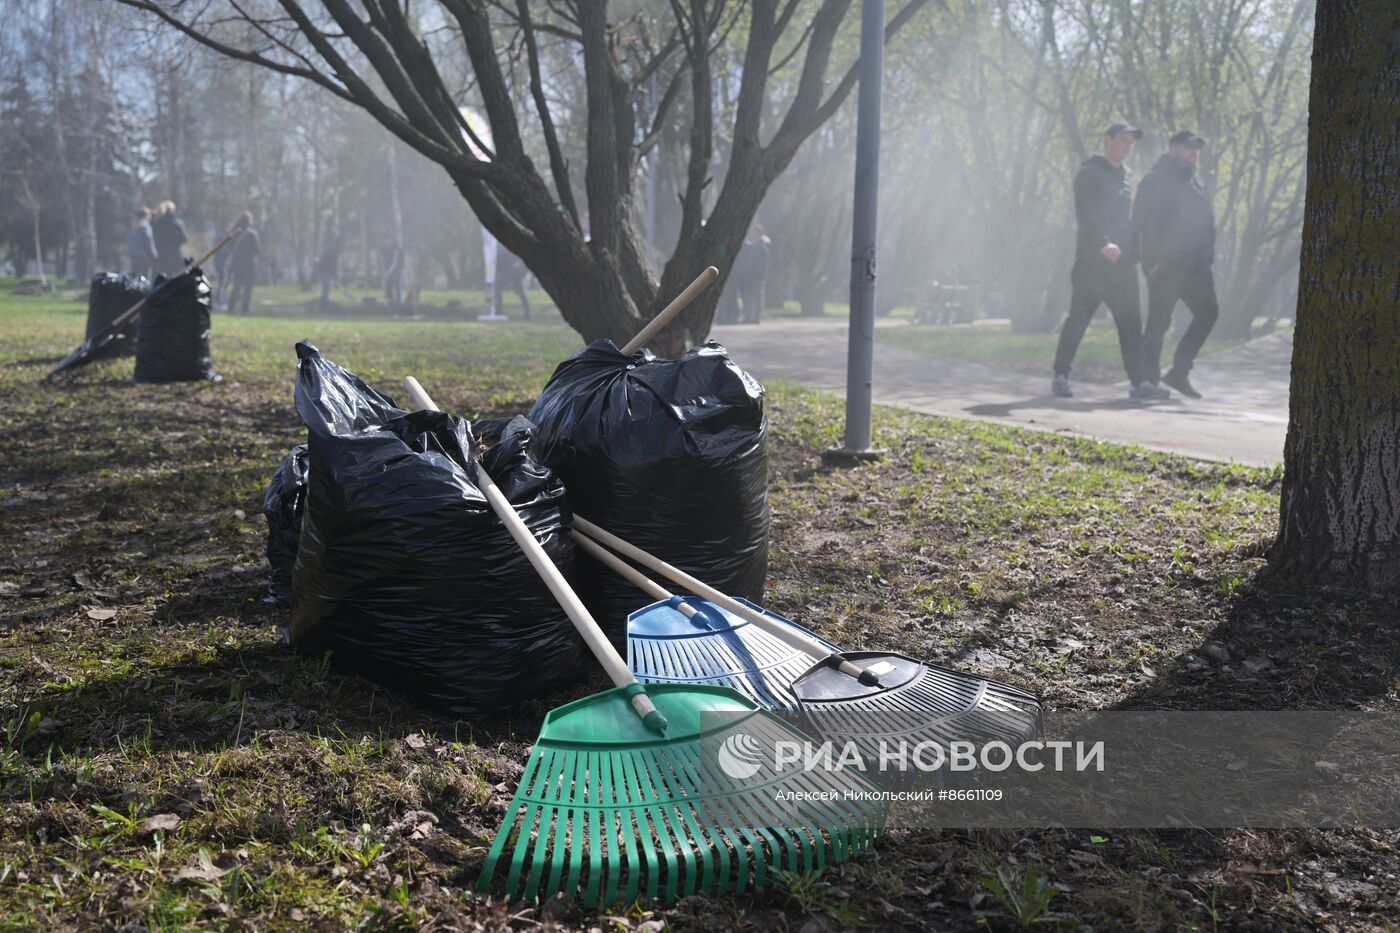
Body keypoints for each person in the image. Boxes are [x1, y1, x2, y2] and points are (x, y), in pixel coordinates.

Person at [1051, 123, 1169, 401]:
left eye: (1131, 142)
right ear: (1107, 141)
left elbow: (1131, 222)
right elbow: (1085, 215)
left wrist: (1141, 255)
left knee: (1130, 325)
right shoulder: (1089, 173)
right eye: (1123, 140)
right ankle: (1060, 375)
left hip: (1122, 267)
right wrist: (1103, 243)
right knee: (1078, 320)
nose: (1128, 146)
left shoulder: (1126, 177)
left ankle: (1139, 383)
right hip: (1092, 265)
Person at [1134, 129, 1218, 399]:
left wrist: (1208, 254)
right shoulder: (1155, 180)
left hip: (1196, 266)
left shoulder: (1198, 181)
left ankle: (1179, 372)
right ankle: (1148, 381)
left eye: (1196, 148)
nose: (1193, 152)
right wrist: (1151, 262)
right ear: (1172, 148)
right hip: (1165, 266)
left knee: (1208, 313)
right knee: (1159, 322)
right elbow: (1140, 223)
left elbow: (1207, 221)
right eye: (1187, 147)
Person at [735, 223, 771, 324]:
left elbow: (762, 265)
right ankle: (749, 316)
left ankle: (755, 318)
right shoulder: (752, 247)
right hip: (750, 276)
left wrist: (758, 274)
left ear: (760, 234)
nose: (753, 235)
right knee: (748, 297)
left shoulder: (762, 248)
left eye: (755, 233)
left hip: (757, 277)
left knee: (756, 297)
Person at [226, 212, 261, 315]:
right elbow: (257, 250)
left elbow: (229, 247)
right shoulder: (252, 234)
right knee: (248, 289)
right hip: (249, 265)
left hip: (237, 264)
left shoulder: (234, 233)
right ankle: (245, 310)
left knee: (236, 287)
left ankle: (230, 307)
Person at [151, 201, 187, 278]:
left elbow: (154, 237)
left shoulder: (158, 223)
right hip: (175, 255)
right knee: (178, 278)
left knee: (163, 278)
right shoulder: (177, 222)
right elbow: (184, 239)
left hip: (161, 255)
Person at [493, 250, 531, 319]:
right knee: (521, 293)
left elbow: (502, 261)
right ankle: (527, 313)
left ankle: (498, 310)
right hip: (515, 271)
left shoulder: (502, 250)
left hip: (509, 271)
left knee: (498, 288)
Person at [126, 208, 158, 277]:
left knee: (134, 279)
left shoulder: (132, 226)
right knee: (145, 280)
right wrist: (153, 256)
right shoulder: (145, 227)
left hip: (134, 257)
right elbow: (149, 242)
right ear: (146, 215)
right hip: (145, 258)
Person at [317, 229, 342, 307]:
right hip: (325, 272)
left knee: (326, 289)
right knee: (326, 289)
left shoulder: (328, 249)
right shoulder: (330, 250)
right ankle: (324, 305)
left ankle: (324, 303)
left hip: (324, 271)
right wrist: (335, 275)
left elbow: (332, 263)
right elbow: (332, 264)